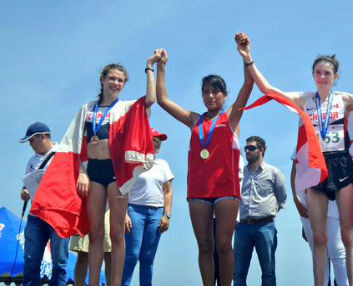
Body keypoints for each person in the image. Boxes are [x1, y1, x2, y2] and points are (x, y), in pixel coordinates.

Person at [234, 32, 353, 286]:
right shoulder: (305, 99)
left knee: (348, 235)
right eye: (318, 72)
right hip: (316, 166)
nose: (322, 77)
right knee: (319, 237)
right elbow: (269, 90)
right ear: (313, 75)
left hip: (341, 165)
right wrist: (249, 59)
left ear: (335, 77)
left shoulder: (344, 99)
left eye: (327, 73)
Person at [155, 36, 254, 286]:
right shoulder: (194, 120)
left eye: (215, 91)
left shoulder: (231, 117)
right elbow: (163, 101)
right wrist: (162, 67)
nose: (210, 96)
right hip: (198, 190)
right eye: (206, 92)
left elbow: (247, 88)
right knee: (205, 245)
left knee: (223, 244)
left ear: (223, 95)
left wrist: (246, 57)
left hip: (226, 189)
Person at [76, 58, 158, 286]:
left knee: (117, 232)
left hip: (116, 172)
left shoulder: (127, 107)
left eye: (120, 80)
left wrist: (149, 67)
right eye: (111, 78)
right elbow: (77, 142)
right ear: (102, 80)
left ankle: (115, 284)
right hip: (93, 171)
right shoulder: (87, 109)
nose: (116, 83)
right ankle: (93, 283)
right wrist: (82, 172)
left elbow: (150, 100)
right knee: (94, 232)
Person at [122, 128, 174, 286]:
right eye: (154, 139)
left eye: (160, 141)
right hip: (134, 210)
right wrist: (124, 214)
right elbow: (124, 190)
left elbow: (168, 191)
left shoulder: (162, 164)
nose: (158, 143)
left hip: (156, 213)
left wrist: (167, 215)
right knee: (132, 255)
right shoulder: (132, 163)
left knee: (148, 257)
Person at [20, 122, 69, 286]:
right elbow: (26, 185)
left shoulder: (64, 153)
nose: (30, 145)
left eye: (32, 140)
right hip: (36, 214)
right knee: (31, 260)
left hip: (59, 214)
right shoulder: (31, 161)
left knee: (60, 262)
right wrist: (25, 193)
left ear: (42, 136)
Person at [234, 136, 287, 286]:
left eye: (251, 148)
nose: (247, 151)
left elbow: (282, 197)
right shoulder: (239, 173)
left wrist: (269, 213)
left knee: (268, 271)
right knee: (238, 273)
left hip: (265, 227)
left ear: (261, 150)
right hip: (242, 226)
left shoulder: (274, 173)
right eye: (246, 148)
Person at [291, 160, 349, 286]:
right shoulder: (305, 141)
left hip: (334, 201)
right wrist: (296, 199)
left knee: (338, 252)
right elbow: (295, 168)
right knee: (318, 251)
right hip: (309, 205)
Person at [70, 210, 111, 286]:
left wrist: (125, 212)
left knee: (109, 255)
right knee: (82, 255)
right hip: (84, 210)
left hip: (107, 211)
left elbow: (121, 197)